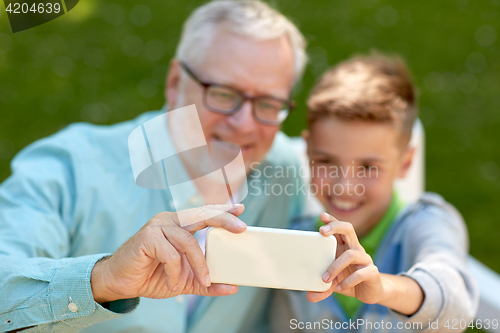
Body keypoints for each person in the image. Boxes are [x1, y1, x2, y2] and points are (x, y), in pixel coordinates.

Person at [0, 1, 308, 332]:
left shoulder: (286, 172)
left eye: (267, 103)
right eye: (223, 93)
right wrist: (105, 278)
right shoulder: (69, 168)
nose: (245, 124)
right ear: (175, 82)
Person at [271, 53, 479, 332]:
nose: (345, 186)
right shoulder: (294, 244)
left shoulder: (427, 223)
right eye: (326, 162)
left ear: (405, 162)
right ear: (308, 151)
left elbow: (455, 304)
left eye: (368, 167)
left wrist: (383, 288)